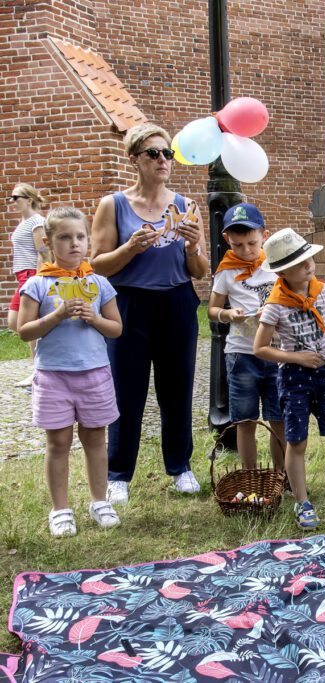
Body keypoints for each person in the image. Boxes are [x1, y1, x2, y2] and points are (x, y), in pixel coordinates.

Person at [91, 123, 209, 505]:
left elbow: (200, 270)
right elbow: (98, 264)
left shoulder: (187, 206)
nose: (163, 160)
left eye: (167, 154)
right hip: (129, 303)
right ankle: (119, 473)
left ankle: (180, 466)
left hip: (177, 301)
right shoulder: (114, 204)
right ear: (134, 160)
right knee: (127, 390)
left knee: (177, 389)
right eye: (153, 154)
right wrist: (130, 248)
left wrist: (192, 248)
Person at [253, 228, 325, 529]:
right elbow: (260, 348)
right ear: (283, 271)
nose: (309, 264)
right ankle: (302, 501)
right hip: (294, 378)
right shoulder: (275, 304)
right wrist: (297, 357)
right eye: (300, 262)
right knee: (297, 441)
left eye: (309, 258)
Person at [17, 208, 123, 537]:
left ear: (88, 241)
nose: (74, 243)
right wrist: (57, 316)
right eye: (64, 237)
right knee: (58, 442)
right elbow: (24, 331)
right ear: (48, 243)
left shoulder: (99, 283)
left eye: (80, 236)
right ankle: (60, 508)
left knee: (95, 438)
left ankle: (99, 501)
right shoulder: (37, 284)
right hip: (53, 376)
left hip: (94, 374)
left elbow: (116, 329)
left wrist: (93, 318)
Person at [207, 203, 285, 471]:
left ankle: (281, 476)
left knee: (279, 419)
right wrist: (229, 315)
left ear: (265, 235)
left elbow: (294, 298)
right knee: (245, 421)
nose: (246, 250)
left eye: (252, 243)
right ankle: (250, 475)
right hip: (241, 354)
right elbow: (212, 309)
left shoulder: (277, 265)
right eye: (238, 245)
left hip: (276, 352)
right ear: (227, 240)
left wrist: (274, 311)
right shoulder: (226, 271)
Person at [8, 183, 47, 388]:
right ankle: (40, 366)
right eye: (11, 198)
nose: (12, 201)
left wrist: (38, 279)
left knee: (23, 323)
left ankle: (38, 371)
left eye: (16, 197)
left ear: (29, 199)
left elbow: (43, 252)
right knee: (18, 323)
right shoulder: (23, 222)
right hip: (23, 276)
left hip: (31, 276)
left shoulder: (37, 221)